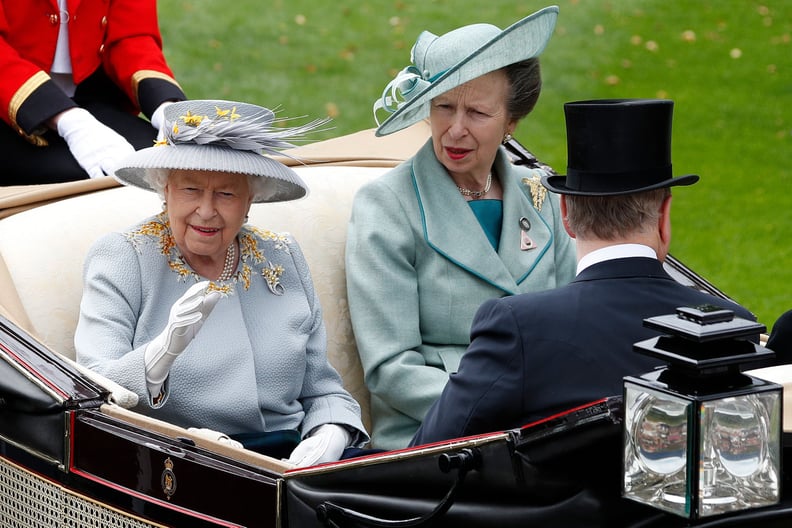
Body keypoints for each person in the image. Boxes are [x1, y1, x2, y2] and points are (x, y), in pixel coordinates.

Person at [412, 98, 758, 447]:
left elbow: (425, 455)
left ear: (565, 214)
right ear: (665, 216)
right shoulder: (730, 327)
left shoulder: (518, 326)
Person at [75, 99, 368, 467]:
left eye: (226, 193)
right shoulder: (124, 256)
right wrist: (158, 356)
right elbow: (92, 386)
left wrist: (331, 431)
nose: (207, 210)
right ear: (165, 192)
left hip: (296, 463)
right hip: (187, 465)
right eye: (191, 190)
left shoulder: (281, 255)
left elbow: (321, 388)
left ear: (250, 200)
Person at [345, 5, 576, 450]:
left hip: (544, 427)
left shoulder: (543, 194)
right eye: (443, 107)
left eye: (477, 113)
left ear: (511, 123)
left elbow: (572, 321)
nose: (454, 130)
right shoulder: (387, 205)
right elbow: (391, 369)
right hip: (436, 439)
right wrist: (507, 411)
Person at [0, 1, 186, 185]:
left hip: (88, 95)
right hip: (9, 102)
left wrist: (165, 106)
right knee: (89, 178)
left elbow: (131, 35)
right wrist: (71, 122)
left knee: (168, 161)